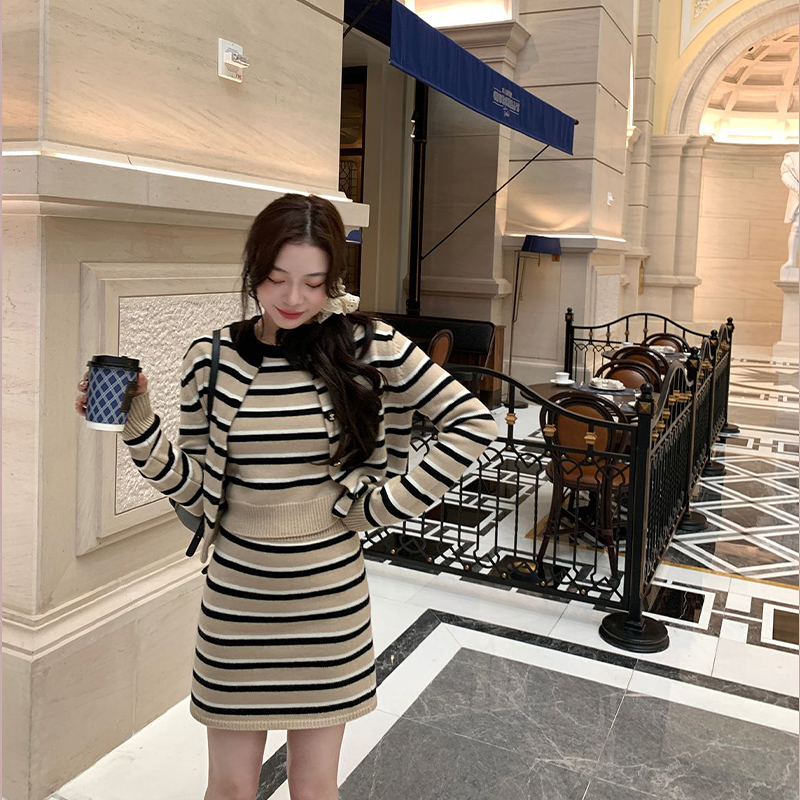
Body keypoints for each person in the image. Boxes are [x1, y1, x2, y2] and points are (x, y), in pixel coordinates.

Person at [75, 193, 498, 800]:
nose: (294, 298)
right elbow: (195, 492)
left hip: (328, 602)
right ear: (254, 269)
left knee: (314, 786)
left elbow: (471, 423)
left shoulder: (368, 346)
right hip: (236, 599)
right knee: (228, 787)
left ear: (334, 281)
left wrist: (381, 507)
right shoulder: (211, 359)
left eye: (314, 283)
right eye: (276, 278)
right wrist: (138, 426)